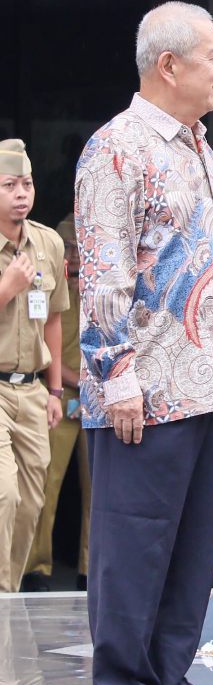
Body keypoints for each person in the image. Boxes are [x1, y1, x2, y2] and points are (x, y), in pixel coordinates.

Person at [75, 1, 213, 685]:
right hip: (147, 395)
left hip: (210, 389)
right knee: (136, 555)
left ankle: (167, 679)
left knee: (189, 560)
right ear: (169, 64)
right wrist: (115, 375)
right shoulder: (116, 146)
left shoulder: (196, 144)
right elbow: (102, 271)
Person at [0, 139, 66, 594]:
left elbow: (55, 319)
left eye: (26, 184)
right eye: (9, 185)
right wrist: (6, 286)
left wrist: (56, 390)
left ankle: (7, 591)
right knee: (2, 493)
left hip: (33, 391)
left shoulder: (48, 241)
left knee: (29, 502)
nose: (22, 193)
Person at [22, 215, 91, 593]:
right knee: (44, 485)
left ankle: (90, 568)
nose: (76, 258)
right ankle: (36, 568)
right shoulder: (48, 287)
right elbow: (41, 344)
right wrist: (70, 382)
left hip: (99, 399)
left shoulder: (101, 289)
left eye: (82, 250)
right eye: (68, 249)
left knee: (98, 487)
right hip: (60, 395)